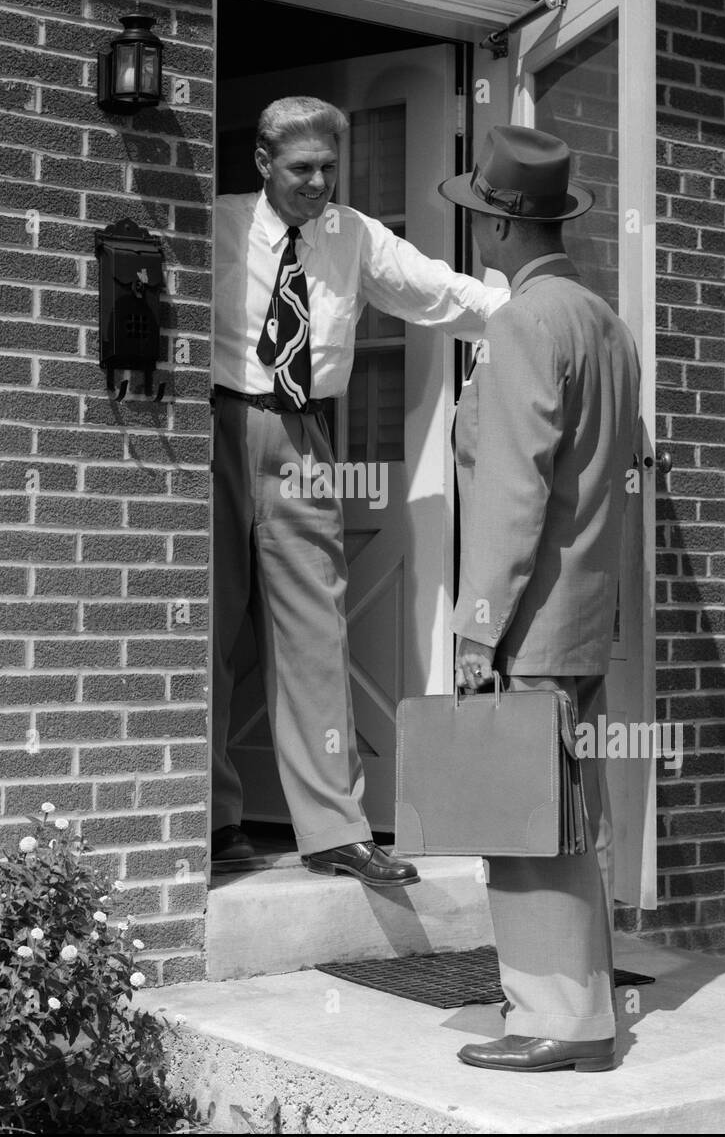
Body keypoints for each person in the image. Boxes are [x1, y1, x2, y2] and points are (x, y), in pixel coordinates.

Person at [211, 96, 507, 888]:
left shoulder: (353, 235)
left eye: (328, 168)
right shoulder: (217, 223)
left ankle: (334, 831)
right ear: (263, 163)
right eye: (301, 168)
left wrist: (532, 314)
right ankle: (210, 815)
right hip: (213, 422)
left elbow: (440, 293)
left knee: (315, 627)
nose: (317, 182)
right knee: (206, 624)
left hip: (303, 432)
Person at [439, 124, 640, 1071]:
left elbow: (516, 486)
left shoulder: (524, 321)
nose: (475, 230)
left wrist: (478, 627)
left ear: (501, 226)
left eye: (480, 215)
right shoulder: (603, 320)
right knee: (567, 817)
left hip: (529, 622)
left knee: (526, 827)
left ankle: (559, 1022)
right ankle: (575, 1000)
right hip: (581, 616)